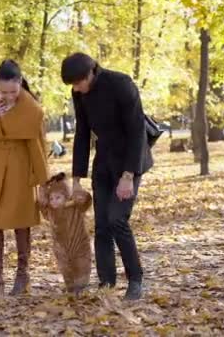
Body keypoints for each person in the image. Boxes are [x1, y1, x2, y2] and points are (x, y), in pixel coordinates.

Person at [61, 52, 153, 300]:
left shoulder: (121, 84)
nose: (77, 89)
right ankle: (107, 283)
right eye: (73, 86)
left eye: (78, 83)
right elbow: (82, 133)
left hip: (130, 160)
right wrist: (77, 179)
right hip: (103, 161)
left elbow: (136, 131)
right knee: (101, 225)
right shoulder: (79, 93)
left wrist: (128, 176)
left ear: (90, 72)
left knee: (117, 220)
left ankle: (135, 280)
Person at [0, 59, 49, 298]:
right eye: (2, 91)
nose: (7, 96)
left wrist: (42, 181)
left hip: (20, 167)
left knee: (20, 221)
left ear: (20, 84)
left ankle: (22, 276)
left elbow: (38, 147)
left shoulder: (32, 109)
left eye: (12, 91)